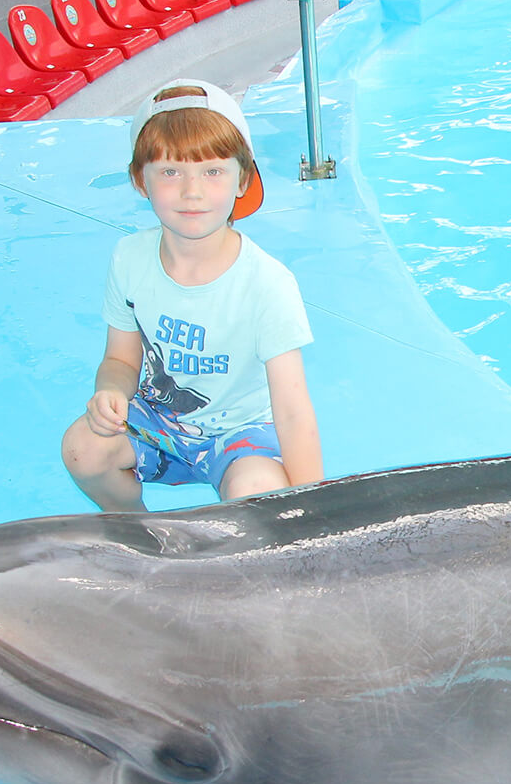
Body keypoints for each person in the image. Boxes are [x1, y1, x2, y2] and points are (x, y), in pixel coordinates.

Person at [61, 78, 322, 511]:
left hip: (239, 434)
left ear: (242, 179)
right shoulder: (130, 258)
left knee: (258, 488)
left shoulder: (267, 284)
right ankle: (138, 532)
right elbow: (121, 360)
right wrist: (111, 393)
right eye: (170, 172)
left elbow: (293, 411)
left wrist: (315, 511)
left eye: (213, 171)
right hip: (159, 422)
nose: (192, 191)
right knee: (82, 448)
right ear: (140, 180)